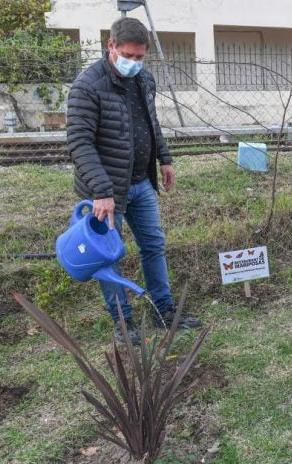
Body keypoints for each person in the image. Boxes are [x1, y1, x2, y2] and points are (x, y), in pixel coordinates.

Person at [66, 17, 201, 345]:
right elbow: (79, 143)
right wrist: (101, 191)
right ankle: (123, 322)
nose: (135, 63)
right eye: (130, 56)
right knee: (107, 256)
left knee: (154, 245)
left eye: (141, 57)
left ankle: (163, 310)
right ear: (111, 46)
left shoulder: (144, 80)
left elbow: (151, 124)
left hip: (141, 183)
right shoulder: (87, 86)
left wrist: (165, 159)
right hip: (106, 192)